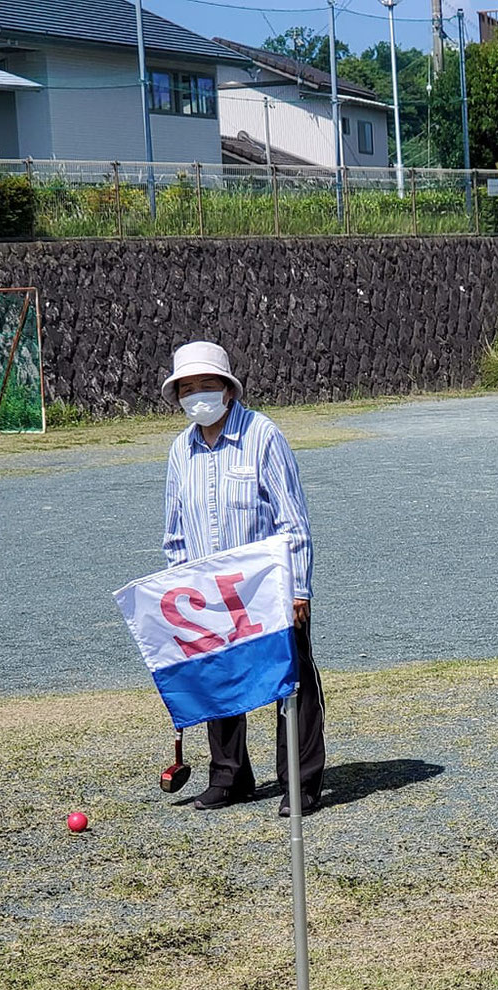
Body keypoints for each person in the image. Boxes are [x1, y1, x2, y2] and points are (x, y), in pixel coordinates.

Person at [163, 339, 325, 815]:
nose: (197, 395)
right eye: (186, 388)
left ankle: (301, 781)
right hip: (208, 590)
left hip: (266, 585)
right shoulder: (179, 450)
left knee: (290, 682)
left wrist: (298, 588)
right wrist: (177, 588)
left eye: (206, 385)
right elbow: (175, 529)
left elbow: (292, 520)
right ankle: (229, 776)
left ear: (228, 389)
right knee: (219, 679)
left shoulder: (263, 435)